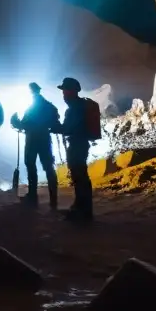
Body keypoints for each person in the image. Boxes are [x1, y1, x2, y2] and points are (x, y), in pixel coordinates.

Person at [10, 82, 62, 209]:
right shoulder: (48, 106)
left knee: (31, 166)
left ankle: (33, 196)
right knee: (49, 167)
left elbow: (24, 124)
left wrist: (15, 121)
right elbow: (55, 120)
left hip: (32, 140)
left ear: (31, 92)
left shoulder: (32, 108)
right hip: (44, 139)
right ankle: (53, 200)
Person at [57, 77, 100, 221]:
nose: (63, 94)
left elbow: (68, 128)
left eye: (65, 91)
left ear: (70, 91)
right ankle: (81, 208)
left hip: (77, 145)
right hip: (80, 144)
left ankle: (83, 212)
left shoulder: (75, 108)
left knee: (79, 177)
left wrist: (55, 126)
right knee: (80, 177)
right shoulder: (80, 106)